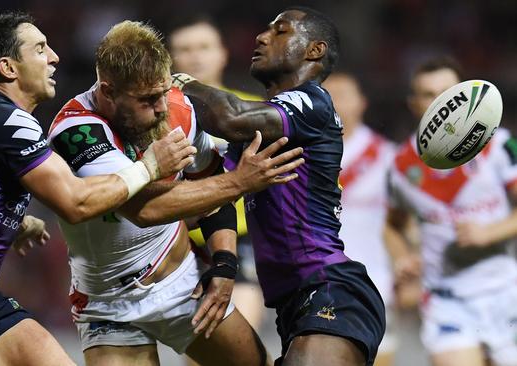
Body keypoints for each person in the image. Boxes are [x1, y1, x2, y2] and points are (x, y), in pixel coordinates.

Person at [0, 12, 199, 366]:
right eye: (40, 49)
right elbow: (76, 202)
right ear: (8, 68)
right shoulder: (5, 119)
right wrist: (149, 166)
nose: (55, 57)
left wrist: (11, 221)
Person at [47, 21, 303, 366]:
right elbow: (143, 209)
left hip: (184, 285)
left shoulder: (178, 108)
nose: (161, 109)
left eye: (163, 91)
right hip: (109, 303)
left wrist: (224, 265)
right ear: (108, 92)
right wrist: (241, 181)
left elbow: (214, 195)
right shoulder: (77, 131)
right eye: (147, 100)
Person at [173, 6, 385, 366]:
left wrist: (177, 83)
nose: (261, 36)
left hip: (330, 288)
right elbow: (209, 196)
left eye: (280, 31)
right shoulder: (259, 133)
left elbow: (230, 116)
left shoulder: (312, 102)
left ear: (314, 50)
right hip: (293, 303)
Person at [386, 56, 517, 366]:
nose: (439, 103)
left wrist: (489, 232)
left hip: (504, 292)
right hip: (446, 300)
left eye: (448, 93)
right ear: (413, 103)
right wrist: (402, 256)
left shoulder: (499, 145)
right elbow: (392, 225)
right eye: (428, 95)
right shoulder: (401, 166)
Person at [168, 16, 267, 336]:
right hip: (175, 245)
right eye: (185, 49)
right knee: (198, 351)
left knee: (237, 340)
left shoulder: (254, 110)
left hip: (240, 240)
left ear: (223, 53)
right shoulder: (151, 116)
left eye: (204, 47)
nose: (196, 56)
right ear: (170, 60)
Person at [322, 72, 397, 366]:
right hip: (320, 279)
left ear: (362, 102)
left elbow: (402, 221)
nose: (336, 101)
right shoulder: (302, 154)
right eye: (329, 94)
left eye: (344, 93)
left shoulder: (387, 156)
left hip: (376, 278)